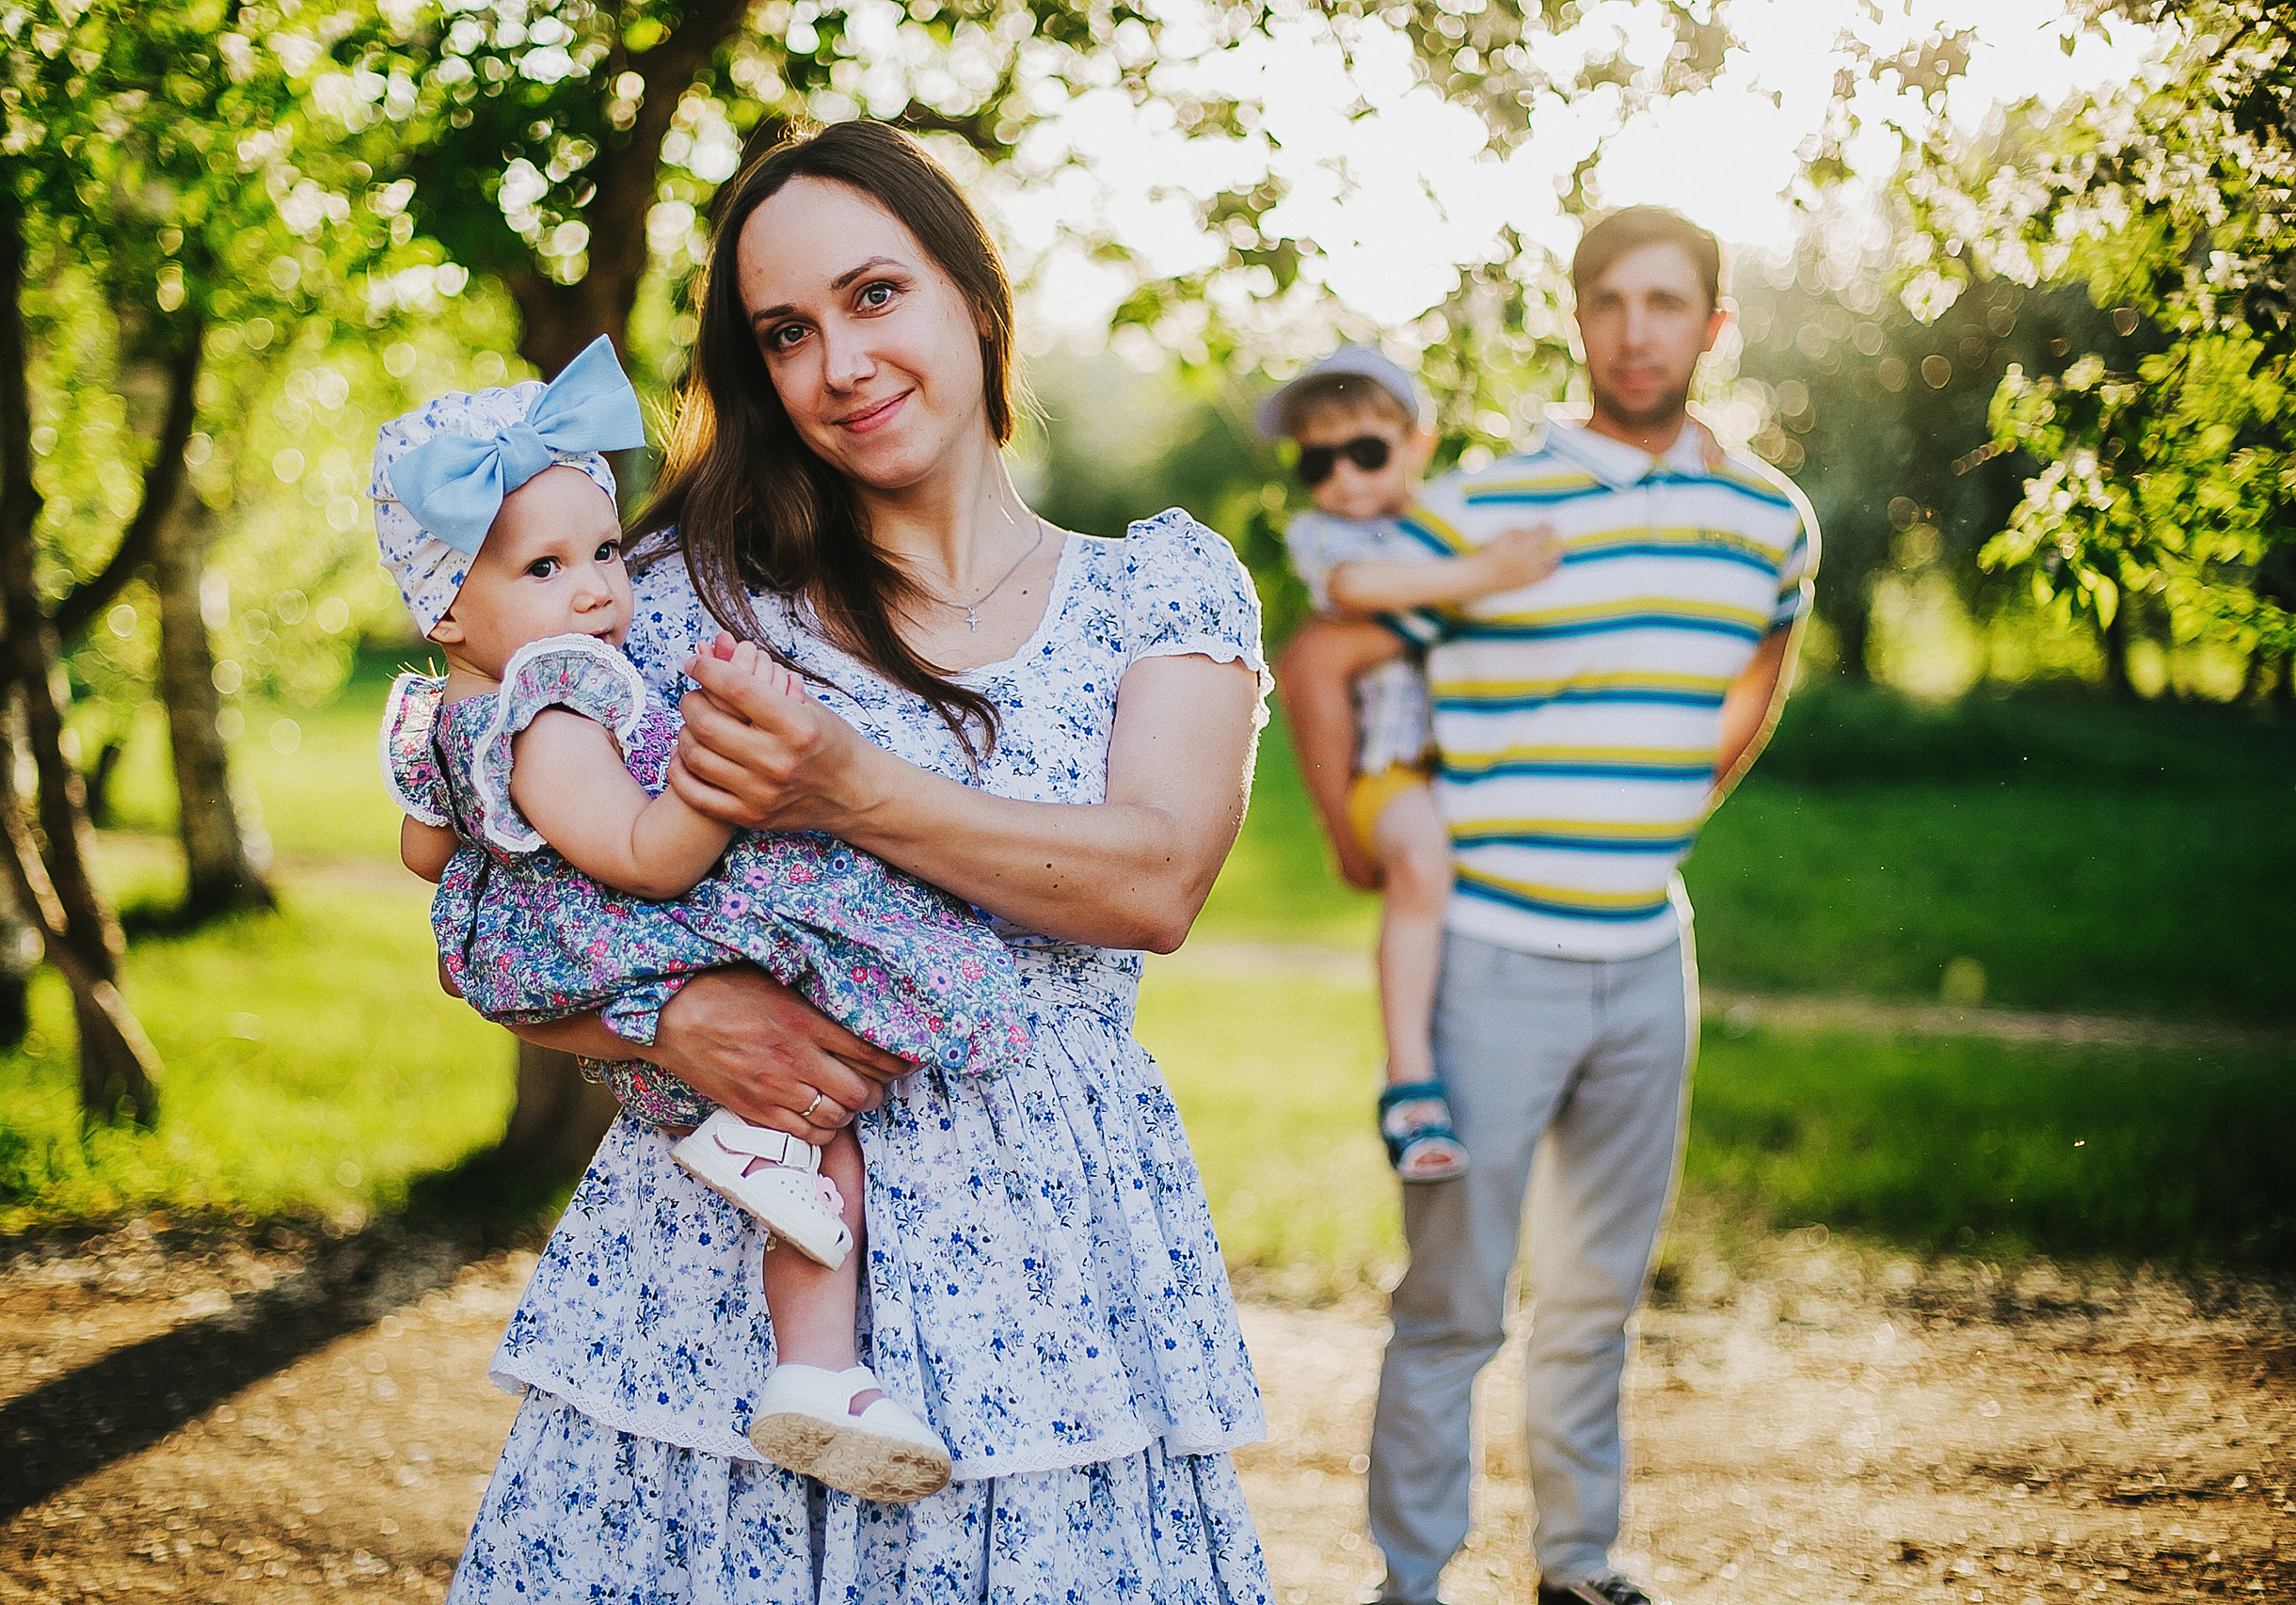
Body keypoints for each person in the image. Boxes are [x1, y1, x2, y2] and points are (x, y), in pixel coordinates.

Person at [437, 121, 1277, 1602]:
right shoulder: (671, 601)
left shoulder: (1159, 586)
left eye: (876, 295)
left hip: (1049, 1275)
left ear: (975, 295)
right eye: (786, 332)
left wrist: (845, 785)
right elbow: (501, 916)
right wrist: (659, 1020)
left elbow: (1155, 880)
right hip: (719, 1276)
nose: (840, 362)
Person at [370, 337, 1039, 1503]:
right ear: (449, 611)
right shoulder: (556, 700)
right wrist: (716, 779)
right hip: (638, 923)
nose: (593, 590)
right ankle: (820, 1366)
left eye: (605, 551)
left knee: (801, 1107)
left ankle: (808, 1333)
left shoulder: (445, 710)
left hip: (563, 951)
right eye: (543, 568)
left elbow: (428, 850)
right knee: (833, 1052)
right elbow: (643, 856)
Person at [1275, 206, 1817, 1605]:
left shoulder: (1771, 519)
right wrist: (1355, 839)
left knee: (1597, 1298)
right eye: (1610, 302)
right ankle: (1411, 1581)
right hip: (1487, 955)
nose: (1636, 328)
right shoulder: (1486, 505)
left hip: (1650, 956)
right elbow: (1324, 647)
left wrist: (1675, 804)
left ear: (1716, 325)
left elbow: (1762, 669)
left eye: (1664, 302)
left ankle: (1578, 1564)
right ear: (1579, 322)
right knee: (1454, 1301)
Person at [1259, 346, 1560, 1183]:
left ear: (1417, 446)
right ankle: (1408, 1080)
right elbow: (1358, 587)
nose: (1345, 480)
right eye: (1318, 461)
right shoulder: (1323, 535)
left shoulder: (1452, 513)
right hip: (1391, 771)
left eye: (1367, 452)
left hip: (1469, 766)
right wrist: (1484, 575)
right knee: (1421, 865)